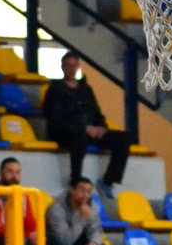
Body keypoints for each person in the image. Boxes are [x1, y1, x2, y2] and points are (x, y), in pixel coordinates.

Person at [43, 50, 130, 192]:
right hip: (66, 132)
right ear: (62, 67)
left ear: (78, 67)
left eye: (74, 65)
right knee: (79, 135)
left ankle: (108, 181)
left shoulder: (86, 89)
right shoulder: (54, 90)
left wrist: (101, 127)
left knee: (123, 138)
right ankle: (76, 181)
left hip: (89, 132)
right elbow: (54, 119)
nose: (71, 69)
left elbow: (96, 113)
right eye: (68, 65)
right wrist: (83, 128)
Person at [46, 176, 107, 245]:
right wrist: (81, 219)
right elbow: (65, 240)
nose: (85, 195)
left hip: (77, 241)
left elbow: (96, 230)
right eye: (82, 190)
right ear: (72, 190)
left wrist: (94, 243)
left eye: (88, 191)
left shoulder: (92, 206)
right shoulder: (56, 209)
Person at [0, 156, 39, 245]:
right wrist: (26, 234)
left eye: (17, 172)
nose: (14, 176)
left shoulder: (23, 195)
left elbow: (31, 225)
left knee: (50, 241)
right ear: (0, 174)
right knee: (20, 241)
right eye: (10, 172)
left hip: (20, 237)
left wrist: (34, 234)